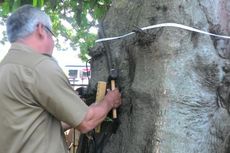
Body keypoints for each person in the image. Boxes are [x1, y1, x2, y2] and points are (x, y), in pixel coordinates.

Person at [0, 5, 121, 153]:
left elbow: (31, 125)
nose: (53, 42)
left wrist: (74, 111)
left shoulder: (5, 68)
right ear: (40, 29)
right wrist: (110, 100)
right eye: (52, 34)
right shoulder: (40, 66)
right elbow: (87, 122)